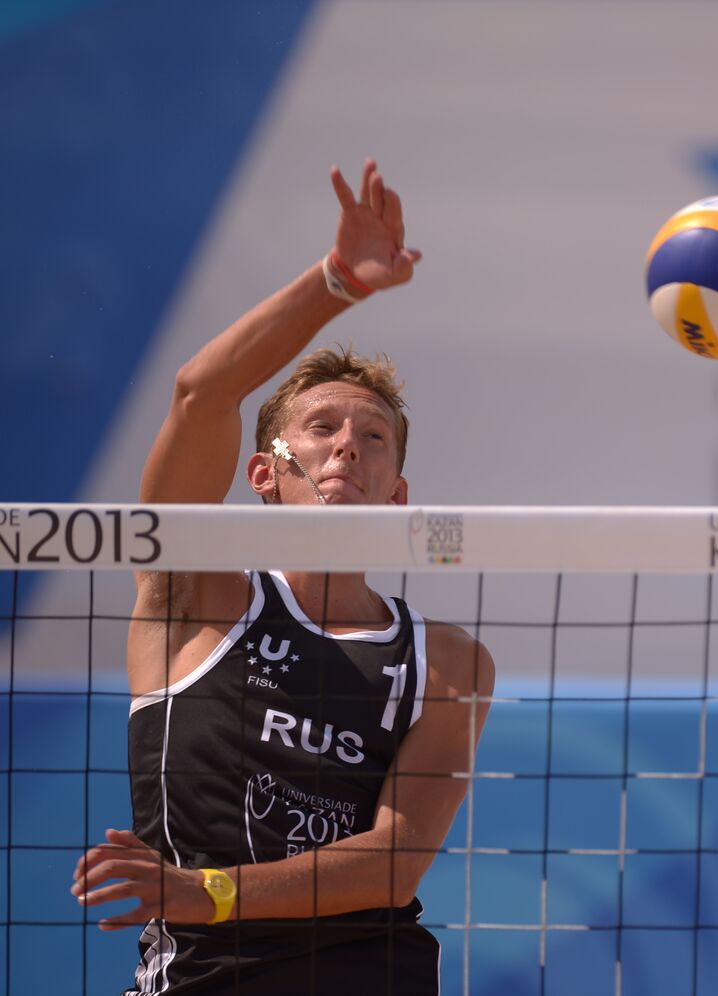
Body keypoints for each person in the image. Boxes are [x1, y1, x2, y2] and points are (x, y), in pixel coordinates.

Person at [69, 159, 494, 995]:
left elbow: (394, 863)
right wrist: (337, 281)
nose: (348, 447)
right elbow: (199, 394)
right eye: (323, 427)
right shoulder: (196, 596)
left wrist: (209, 892)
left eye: (374, 437)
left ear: (397, 493)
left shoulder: (445, 661)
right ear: (265, 473)